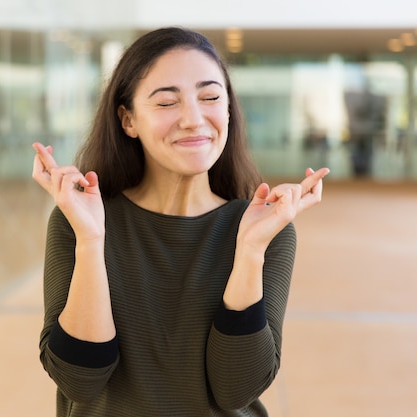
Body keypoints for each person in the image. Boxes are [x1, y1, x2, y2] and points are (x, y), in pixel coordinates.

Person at [32, 27, 329, 417]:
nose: (193, 119)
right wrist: (91, 240)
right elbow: (80, 381)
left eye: (209, 97)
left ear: (227, 110)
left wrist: (251, 250)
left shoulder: (266, 229)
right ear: (128, 120)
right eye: (167, 102)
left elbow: (236, 388)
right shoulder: (80, 221)